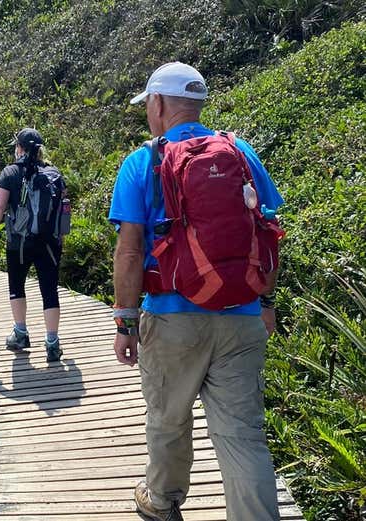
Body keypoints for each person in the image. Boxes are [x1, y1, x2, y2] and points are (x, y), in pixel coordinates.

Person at [109, 62, 284, 521]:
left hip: (171, 318)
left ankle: (163, 502)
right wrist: (264, 301)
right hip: (242, 316)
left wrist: (126, 321)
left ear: (159, 103)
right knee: (243, 435)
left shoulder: (143, 161)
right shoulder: (240, 152)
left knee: (169, 420)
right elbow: (268, 232)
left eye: (148, 104)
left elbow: (129, 252)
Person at [0, 128, 68, 363]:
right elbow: (63, 206)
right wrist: (60, 236)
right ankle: (52, 343)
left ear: (19, 148)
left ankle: (20, 333)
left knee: (17, 286)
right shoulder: (53, 172)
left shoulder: (10, 172)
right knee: (49, 291)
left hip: (19, 242)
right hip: (50, 241)